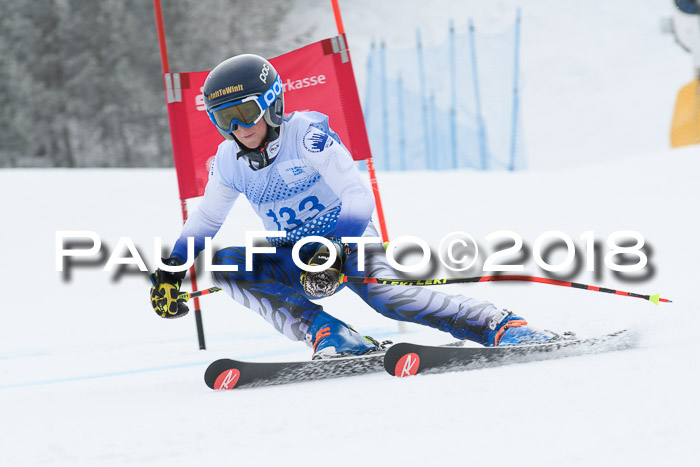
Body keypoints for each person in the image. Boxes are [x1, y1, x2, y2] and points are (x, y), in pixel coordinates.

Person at [149, 54, 560, 359]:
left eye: (245, 113)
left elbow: (357, 195)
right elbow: (206, 219)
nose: (238, 128)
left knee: (390, 299)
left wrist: (336, 248)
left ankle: (500, 325)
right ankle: (331, 335)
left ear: (272, 103)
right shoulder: (228, 160)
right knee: (227, 265)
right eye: (224, 120)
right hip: (292, 253)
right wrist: (171, 271)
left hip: (348, 242)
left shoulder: (306, 133)